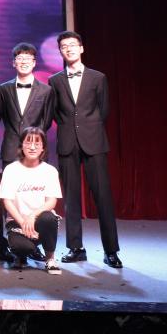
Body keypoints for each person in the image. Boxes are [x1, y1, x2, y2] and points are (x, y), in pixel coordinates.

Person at [49, 30, 121, 268]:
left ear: (81, 48)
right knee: (70, 199)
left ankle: (111, 251)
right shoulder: (55, 80)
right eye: (64, 47)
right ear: (60, 52)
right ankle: (75, 248)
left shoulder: (98, 78)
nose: (68, 49)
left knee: (103, 198)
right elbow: (56, 112)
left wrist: (87, 128)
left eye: (72, 45)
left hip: (94, 141)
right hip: (67, 142)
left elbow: (103, 110)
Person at [0, 42, 55, 261]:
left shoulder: (46, 90)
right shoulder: (4, 89)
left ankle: (36, 242)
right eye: (19, 58)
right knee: (9, 198)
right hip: (10, 147)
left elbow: (46, 121)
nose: (23, 62)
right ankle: (11, 241)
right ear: (13, 63)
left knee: (35, 196)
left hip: (34, 149)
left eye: (27, 58)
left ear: (34, 62)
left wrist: (33, 143)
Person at [0, 127, 63, 274]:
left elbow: (51, 201)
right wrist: (23, 222)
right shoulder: (11, 169)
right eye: (28, 143)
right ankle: (22, 253)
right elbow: (7, 201)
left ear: (43, 148)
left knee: (48, 217)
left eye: (37, 143)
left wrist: (32, 216)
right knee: (22, 248)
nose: (32, 147)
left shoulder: (50, 171)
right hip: (17, 222)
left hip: (40, 221)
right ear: (21, 146)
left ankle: (50, 259)